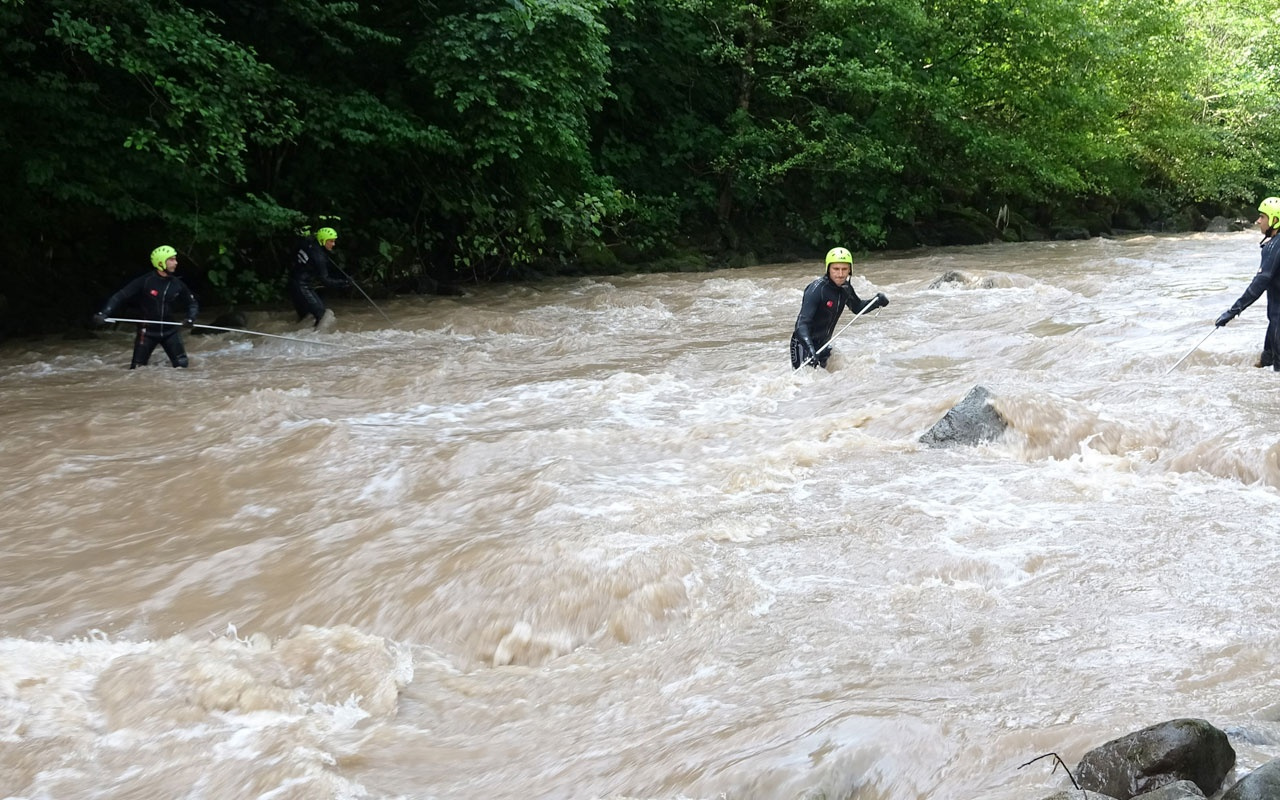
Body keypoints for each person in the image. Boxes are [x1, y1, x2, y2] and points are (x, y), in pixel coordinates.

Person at [92, 245, 199, 369]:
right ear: (160, 262)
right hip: (147, 332)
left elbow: (192, 303)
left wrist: (191, 318)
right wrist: (104, 313)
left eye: (175, 259)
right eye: (171, 259)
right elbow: (119, 297)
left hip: (170, 330)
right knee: (137, 369)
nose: (176, 262)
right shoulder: (145, 281)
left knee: (182, 366)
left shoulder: (178, 284)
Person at [790, 246, 889, 368]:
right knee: (806, 383)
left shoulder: (846, 289)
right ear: (828, 269)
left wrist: (875, 302)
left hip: (824, 344)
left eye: (844, 269)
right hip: (803, 344)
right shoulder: (817, 290)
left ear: (850, 270)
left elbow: (857, 307)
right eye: (836, 269)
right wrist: (810, 348)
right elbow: (801, 325)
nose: (840, 274)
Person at [1216, 196, 1280, 371]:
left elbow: (1259, 284)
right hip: (1275, 323)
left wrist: (1233, 311)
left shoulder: (1274, 247)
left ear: (1275, 219)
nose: (1258, 221)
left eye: (1262, 216)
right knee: (1265, 365)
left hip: (1278, 324)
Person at [288, 226, 349, 330]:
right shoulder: (319, 257)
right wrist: (344, 282)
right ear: (322, 240)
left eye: (334, 241)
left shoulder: (308, 243)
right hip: (302, 286)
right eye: (331, 241)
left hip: (292, 281)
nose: (333, 244)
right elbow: (326, 281)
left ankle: (300, 336)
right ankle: (317, 338)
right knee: (321, 315)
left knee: (305, 316)